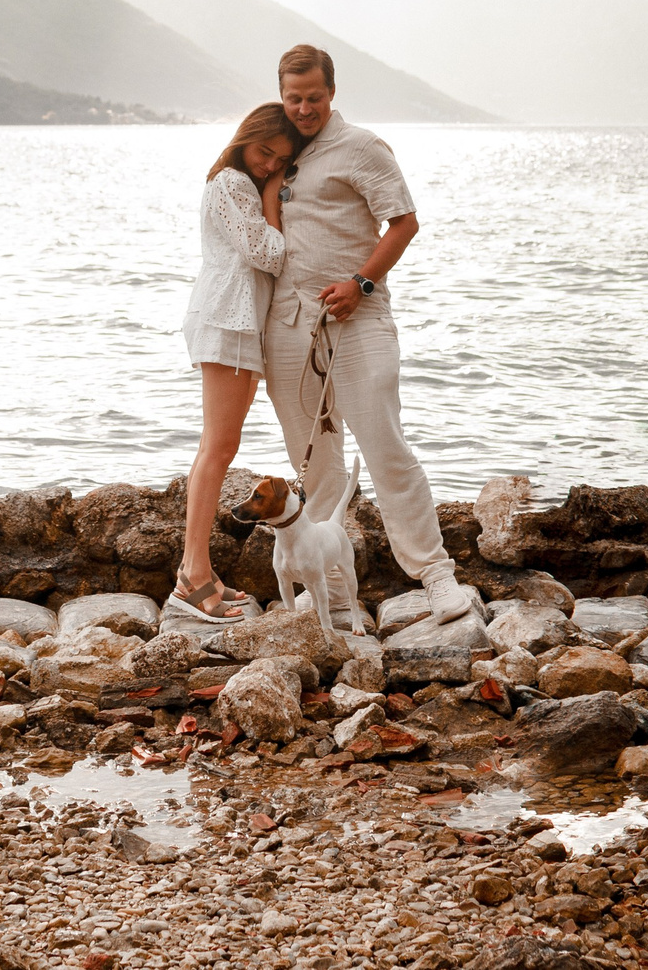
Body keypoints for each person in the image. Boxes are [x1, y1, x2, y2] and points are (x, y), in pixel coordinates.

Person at [261, 43, 478, 624]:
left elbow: (404, 222)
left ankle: (436, 575)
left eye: (313, 97)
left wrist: (360, 282)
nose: (303, 108)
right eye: (293, 97)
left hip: (359, 315)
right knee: (315, 462)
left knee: (385, 446)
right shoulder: (278, 150)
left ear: (331, 93)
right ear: (282, 96)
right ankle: (328, 586)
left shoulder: (362, 146)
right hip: (288, 324)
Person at [169, 101, 301, 623]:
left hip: (240, 322)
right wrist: (273, 195)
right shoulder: (231, 183)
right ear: (245, 137)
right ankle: (192, 577)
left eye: (280, 161)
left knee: (220, 446)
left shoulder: (240, 183)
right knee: (217, 448)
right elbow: (268, 253)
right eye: (264, 152)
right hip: (226, 319)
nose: (269, 165)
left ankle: (199, 572)